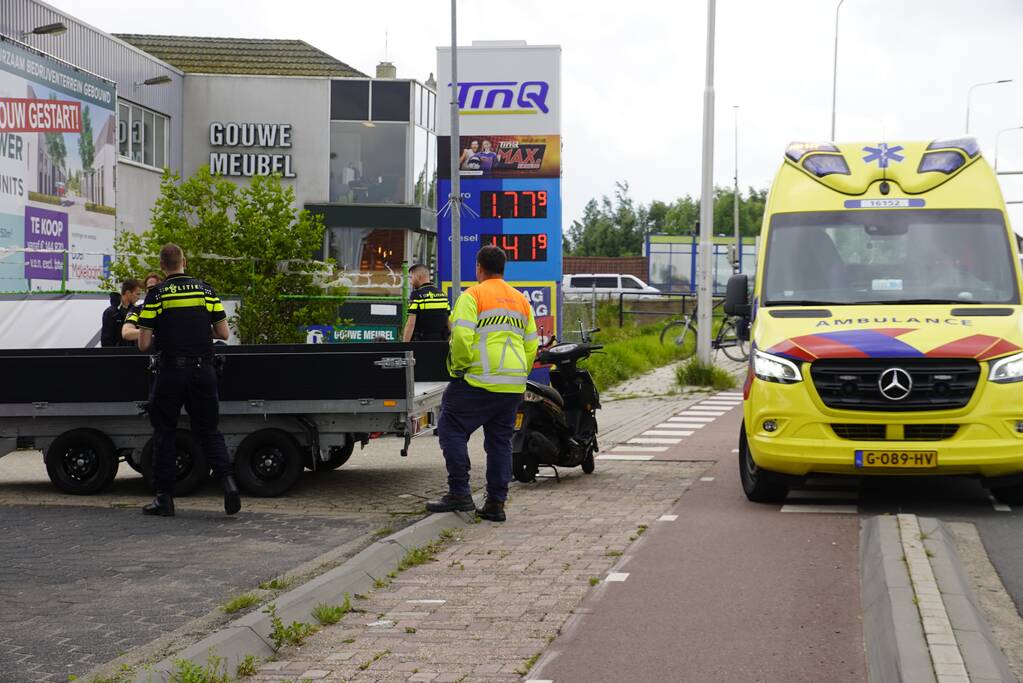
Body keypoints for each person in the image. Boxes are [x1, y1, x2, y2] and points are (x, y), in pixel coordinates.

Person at [426, 245, 538, 522]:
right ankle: (496, 504)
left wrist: (459, 368)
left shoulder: (472, 295)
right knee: (500, 442)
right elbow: (531, 344)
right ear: (503, 268)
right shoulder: (520, 300)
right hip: (511, 384)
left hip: (478, 379)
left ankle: (459, 493)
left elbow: (462, 338)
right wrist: (518, 374)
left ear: (479, 268)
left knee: (450, 427)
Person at [136, 244, 239, 517]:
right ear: (185, 261)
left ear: (161, 266)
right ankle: (228, 485)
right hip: (203, 371)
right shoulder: (206, 290)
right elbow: (223, 333)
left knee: (165, 432)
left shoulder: (156, 294)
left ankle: (164, 499)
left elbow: (144, 344)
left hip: (171, 372)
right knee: (209, 430)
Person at [403, 264, 451, 342]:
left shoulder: (416, 295)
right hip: (441, 343)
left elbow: (410, 324)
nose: (411, 282)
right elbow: (449, 322)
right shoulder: (443, 295)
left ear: (419, 277)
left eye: (411, 278)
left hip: (421, 344)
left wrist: (405, 346)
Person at [122, 272, 163, 344]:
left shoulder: (169, 307)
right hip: (144, 353)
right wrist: (153, 334)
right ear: (146, 291)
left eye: (156, 287)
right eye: (150, 288)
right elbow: (126, 333)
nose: (153, 290)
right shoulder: (137, 309)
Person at [100, 279, 141, 347]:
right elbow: (106, 341)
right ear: (128, 293)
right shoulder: (110, 312)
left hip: (133, 354)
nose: (139, 297)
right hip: (116, 355)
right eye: (137, 294)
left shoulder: (136, 311)